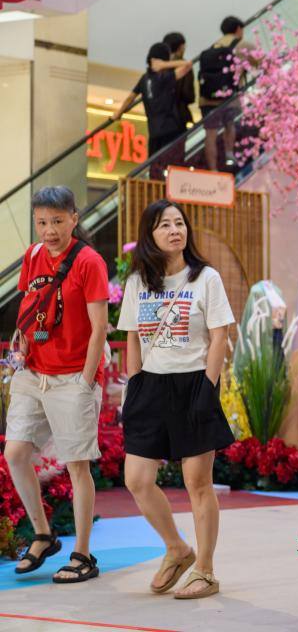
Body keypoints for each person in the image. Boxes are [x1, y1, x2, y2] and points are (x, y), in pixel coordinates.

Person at [117, 199, 236, 599]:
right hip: (150, 386)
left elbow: (219, 335)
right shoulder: (138, 282)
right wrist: (134, 385)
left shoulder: (206, 278)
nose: (175, 230)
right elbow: (133, 337)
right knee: (136, 479)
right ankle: (177, 548)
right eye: (165, 225)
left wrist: (208, 387)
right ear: (149, 235)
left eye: (179, 223)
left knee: (197, 482)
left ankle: (205, 569)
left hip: (193, 384)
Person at [5, 186, 109, 583]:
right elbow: (30, 305)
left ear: (74, 219)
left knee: (77, 465)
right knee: (16, 453)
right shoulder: (33, 255)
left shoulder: (89, 262)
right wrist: (21, 344)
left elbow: (99, 328)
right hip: (33, 372)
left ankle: (83, 554)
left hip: (73, 377)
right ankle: (43, 535)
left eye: (58, 221)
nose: (49, 230)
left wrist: (85, 381)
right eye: (42, 222)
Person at [113, 43, 192, 179]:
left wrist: (118, 114)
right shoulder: (166, 78)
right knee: (173, 168)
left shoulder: (144, 79)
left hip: (154, 132)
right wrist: (166, 65)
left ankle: (158, 191)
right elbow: (188, 65)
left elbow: (129, 99)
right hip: (172, 130)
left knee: (155, 168)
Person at [198, 15, 256, 171]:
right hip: (229, 98)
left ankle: (213, 169)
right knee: (230, 125)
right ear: (238, 29)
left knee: (210, 134)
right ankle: (229, 155)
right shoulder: (242, 44)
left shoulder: (212, 48)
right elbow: (261, 62)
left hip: (207, 99)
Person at [163, 32, 196, 129]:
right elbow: (188, 95)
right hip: (179, 115)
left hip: (160, 116)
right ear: (180, 47)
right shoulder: (185, 66)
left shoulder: (160, 66)